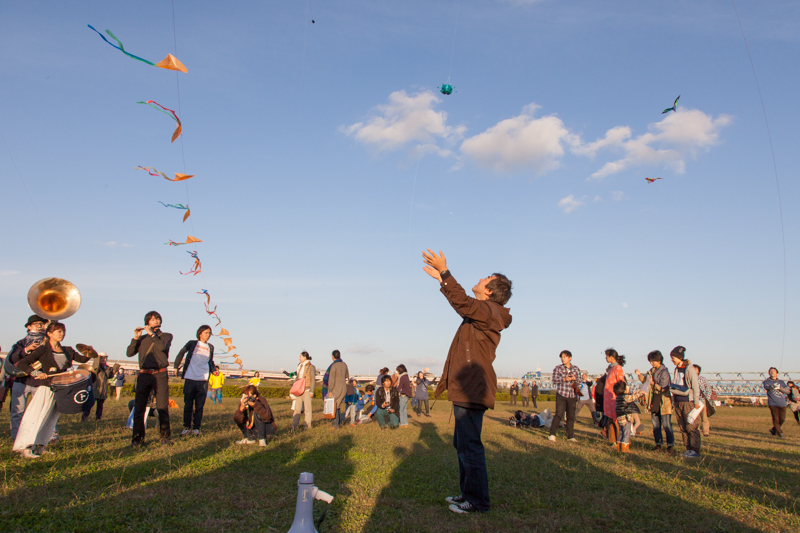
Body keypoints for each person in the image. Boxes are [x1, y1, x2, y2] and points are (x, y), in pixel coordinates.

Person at [423, 249, 513, 515]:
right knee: (462, 444)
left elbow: (462, 301)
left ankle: (477, 502)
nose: (480, 278)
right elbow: (463, 303)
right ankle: (468, 494)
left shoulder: (491, 312)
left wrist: (445, 273)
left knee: (470, 445)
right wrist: (443, 279)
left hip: (473, 387)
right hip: (468, 387)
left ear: (490, 291)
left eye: (485, 278)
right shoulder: (484, 311)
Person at [14, 321, 95, 458]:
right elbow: (22, 363)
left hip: (60, 389)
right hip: (46, 387)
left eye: (63, 331)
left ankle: (40, 446)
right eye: (58, 331)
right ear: (49, 334)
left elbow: (82, 359)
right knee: (37, 416)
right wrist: (35, 373)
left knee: (51, 419)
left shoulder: (67, 350)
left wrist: (89, 352)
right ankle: (26, 446)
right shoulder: (43, 349)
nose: (62, 334)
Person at [126, 310, 174, 447]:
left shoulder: (166, 336)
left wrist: (152, 334)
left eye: (158, 318)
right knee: (139, 407)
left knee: (162, 407)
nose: (156, 321)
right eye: (153, 319)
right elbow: (129, 353)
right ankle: (137, 439)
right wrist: (135, 338)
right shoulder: (142, 339)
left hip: (160, 374)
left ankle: (165, 438)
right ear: (147, 322)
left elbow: (161, 347)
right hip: (144, 375)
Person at [7, 314, 48, 442]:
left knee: (41, 412)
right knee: (17, 412)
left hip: (40, 381)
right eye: (36, 324)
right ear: (29, 327)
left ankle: (41, 438)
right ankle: (16, 438)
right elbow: (13, 358)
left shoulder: (48, 342)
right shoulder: (21, 343)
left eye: (41, 324)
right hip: (22, 380)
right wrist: (26, 350)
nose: (39, 326)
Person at [174, 325, 216, 436]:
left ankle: (196, 428)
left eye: (209, 333)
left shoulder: (210, 347)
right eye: (206, 332)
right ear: (200, 333)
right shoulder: (192, 344)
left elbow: (210, 361)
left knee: (199, 406)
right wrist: (176, 366)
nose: (208, 335)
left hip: (203, 380)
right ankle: (186, 427)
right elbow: (181, 353)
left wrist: (214, 369)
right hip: (190, 378)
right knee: (188, 405)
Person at [635, 350, 675, 454]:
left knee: (666, 424)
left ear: (659, 360)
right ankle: (658, 444)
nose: (652, 363)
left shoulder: (664, 372)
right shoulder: (651, 371)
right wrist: (639, 375)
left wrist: (653, 384)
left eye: (653, 361)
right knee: (655, 424)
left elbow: (664, 387)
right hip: (653, 400)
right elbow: (646, 381)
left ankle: (670, 445)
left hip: (664, 401)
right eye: (651, 361)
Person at [669, 346, 703, 458]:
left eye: (673, 357)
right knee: (683, 427)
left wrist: (696, 402)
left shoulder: (689, 369)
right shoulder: (676, 369)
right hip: (678, 400)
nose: (672, 360)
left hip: (688, 401)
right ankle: (688, 448)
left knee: (691, 426)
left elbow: (695, 386)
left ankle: (695, 449)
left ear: (679, 357)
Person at [548, 350, 581, 442]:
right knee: (558, 414)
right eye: (561, 357)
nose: (563, 359)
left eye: (565, 357)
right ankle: (552, 434)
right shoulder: (558, 368)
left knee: (571, 416)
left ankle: (570, 436)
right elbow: (554, 380)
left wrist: (575, 379)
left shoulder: (576, 369)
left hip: (572, 395)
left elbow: (580, 381)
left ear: (570, 358)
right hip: (562, 394)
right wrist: (565, 379)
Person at [81, 353, 119, 421]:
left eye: (105, 358)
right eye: (101, 358)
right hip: (95, 389)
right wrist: (97, 359)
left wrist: (115, 367)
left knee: (100, 405)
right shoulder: (94, 367)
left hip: (103, 390)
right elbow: (95, 368)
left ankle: (98, 418)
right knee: (90, 405)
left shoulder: (106, 368)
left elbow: (110, 376)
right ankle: (84, 417)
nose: (103, 360)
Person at [284, 351, 316, 430]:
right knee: (297, 409)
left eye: (300, 356)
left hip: (307, 389)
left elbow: (313, 380)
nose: (299, 358)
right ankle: (294, 425)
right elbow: (297, 378)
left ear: (305, 357)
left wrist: (311, 391)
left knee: (307, 409)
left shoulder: (311, 367)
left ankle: (307, 425)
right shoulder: (300, 366)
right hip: (299, 390)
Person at [603, 349, 626, 446]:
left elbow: (621, 383)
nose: (606, 358)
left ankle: (620, 440)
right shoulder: (611, 368)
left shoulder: (618, 368)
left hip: (614, 397)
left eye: (607, 356)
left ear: (611, 357)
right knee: (610, 419)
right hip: (608, 398)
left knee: (616, 419)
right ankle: (612, 440)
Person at [613, 380, 643, 453]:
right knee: (626, 433)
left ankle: (619, 447)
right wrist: (640, 393)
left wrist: (633, 394)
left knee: (621, 433)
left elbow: (629, 397)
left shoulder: (618, 397)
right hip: (626, 418)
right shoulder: (625, 397)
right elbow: (632, 398)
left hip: (620, 418)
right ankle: (625, 449)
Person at [322, 350, 349, 430]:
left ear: (333, 356)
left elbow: (331, 380)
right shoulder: (344, 364)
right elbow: (347, 376)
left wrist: (330, 390)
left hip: (336, 388)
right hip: (344, 388)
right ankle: (339, 423)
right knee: (337, 406)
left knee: (334, 405)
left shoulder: (334, 366)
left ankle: (335, 425)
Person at [762, 367, 790, 438]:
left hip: (782, 403)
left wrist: (780, 388)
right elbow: (766, 387)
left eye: (774, 371)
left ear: (777, 373)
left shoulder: (781, 382)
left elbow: (788, 391)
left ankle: (774, 430)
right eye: (771, 371)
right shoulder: (766, 381)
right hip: (773, 403)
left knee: (782, 419)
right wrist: (773, 386)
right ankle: (780, 433)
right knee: (776, 419)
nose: (772, 372)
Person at [693, 364, 713, 437]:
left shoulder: (702, 379)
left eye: (695, 369)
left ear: (698, 371)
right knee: (695, 417)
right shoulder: (689, 379)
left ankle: (706, 432)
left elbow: (708, 389)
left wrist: (706, 399)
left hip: (702, 400)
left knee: (704, 417)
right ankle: (696, 431)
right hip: (693, 401)